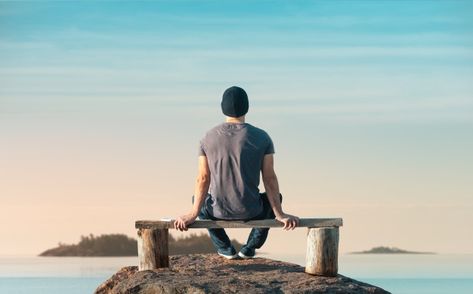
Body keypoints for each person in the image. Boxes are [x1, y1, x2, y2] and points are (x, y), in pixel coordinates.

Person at [174, 86, 299, 259]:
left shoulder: (207, 137)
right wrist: (280, 214)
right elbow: (269, 178)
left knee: (197, 200)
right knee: (276, 198)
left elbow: (203, 178)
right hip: (251, 210)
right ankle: (249, 248)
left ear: (222, 107)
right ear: (247, 107)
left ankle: (225, 248)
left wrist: (192, 214)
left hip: (218, 210)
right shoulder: (262, 137)